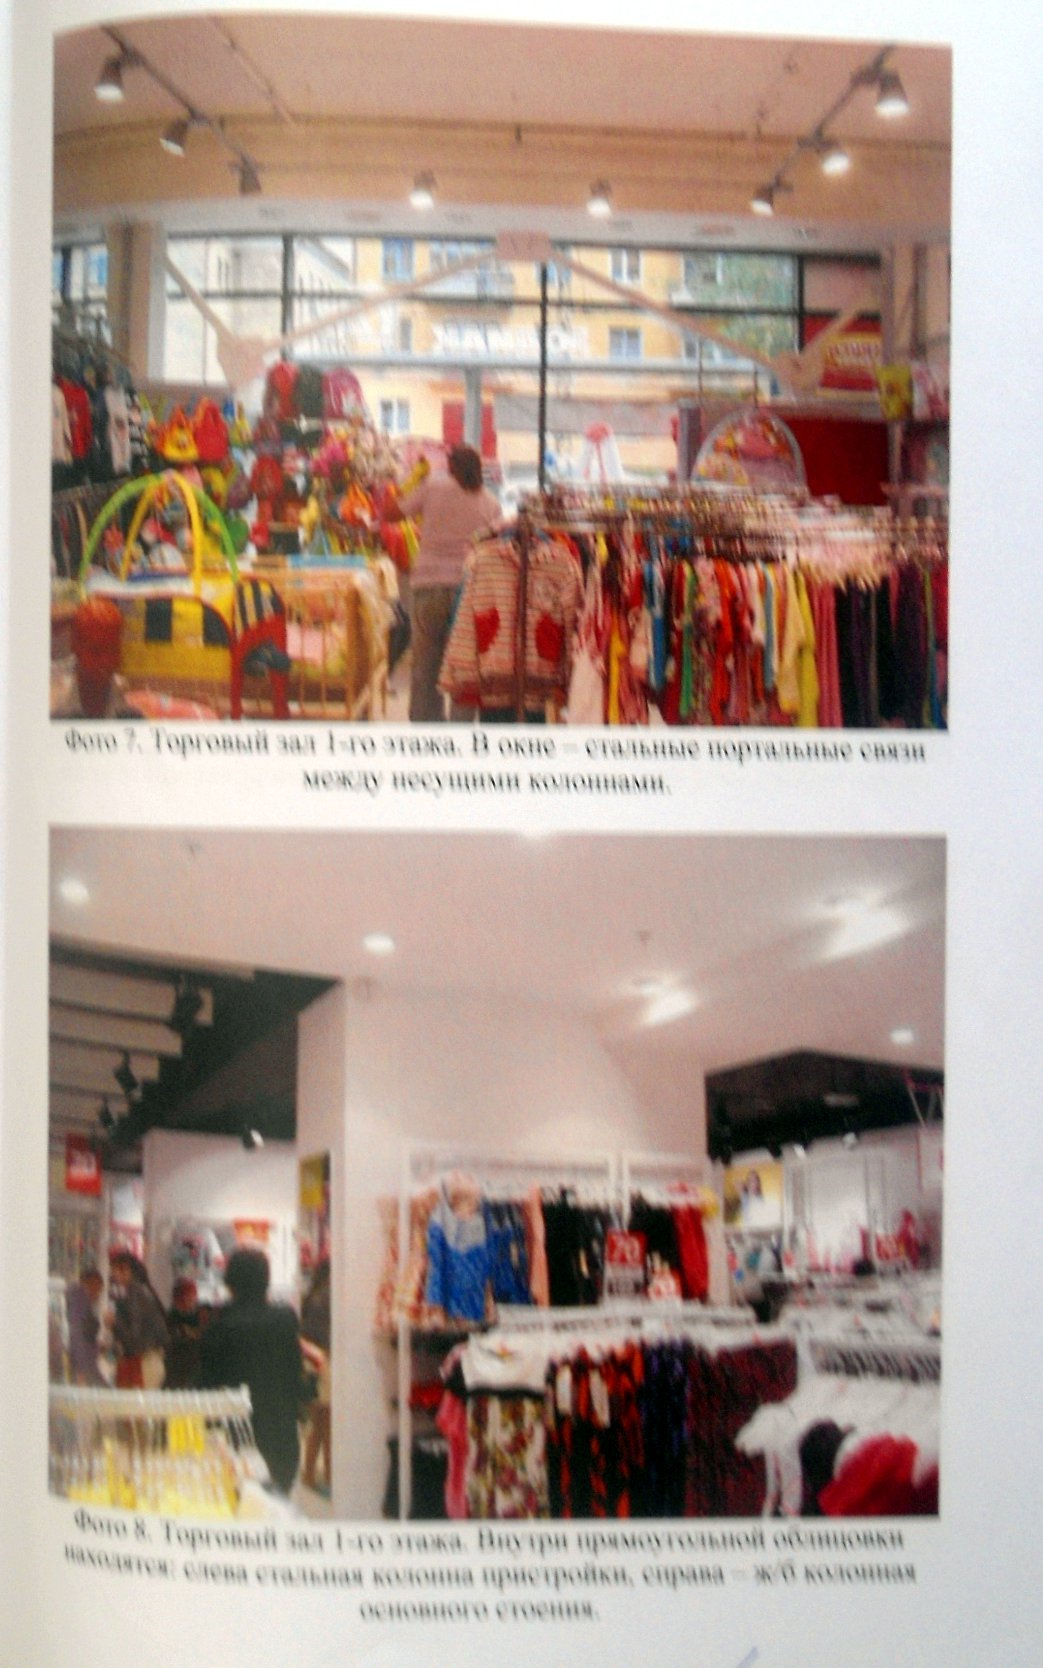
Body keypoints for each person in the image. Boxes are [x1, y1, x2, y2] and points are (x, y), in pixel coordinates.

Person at [393, 446, 501, 721]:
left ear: (451, 466)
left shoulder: (432, 487)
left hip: (428, 586)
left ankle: (425, 730)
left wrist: (411, 481)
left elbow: (392, 513)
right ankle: (459, 730)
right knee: (463, 667)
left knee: (425, 666)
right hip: (467, 591)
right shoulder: (491, 503)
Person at [197, 1247, 304, 1495]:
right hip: (280, 1435)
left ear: (230, 1282)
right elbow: (294, 1373)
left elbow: (207, 1387)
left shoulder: (218, 1329)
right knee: (277, 1503)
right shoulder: (285, 1320)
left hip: (235, 1437)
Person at [109, 1250, 169, 1389]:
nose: (116, 1274)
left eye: (121, 1269)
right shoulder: (142, 1291)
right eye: (114, 1270)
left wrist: (115, 1323)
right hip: (150, 1360)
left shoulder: (135, 1293)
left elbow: (135, 1340)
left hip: (143, 1363)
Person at [299, 1259, 332, 1494]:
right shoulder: (328, 1297)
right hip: (325, 1364)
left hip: (311, 1363)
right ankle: (329, 1476)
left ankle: (310, 1474)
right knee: (328, 1425)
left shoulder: (312, 1296)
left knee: (318, 1425)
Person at [65, 1266, 105, 1385]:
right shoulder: (79, 1300)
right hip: (84, 1367)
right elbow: (77, 1335)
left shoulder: (80, 1302)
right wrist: (81, 1370)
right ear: (90, 1284)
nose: (99, 1294)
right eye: (98, 1289)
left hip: (86, 1364)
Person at [164, 1276, 203, 1390]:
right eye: (187, 1296)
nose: (191, 1300)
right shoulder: (171, 1317)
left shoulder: (199, 1315)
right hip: (177, 1367)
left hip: (195, 1366)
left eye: (193, 1296)